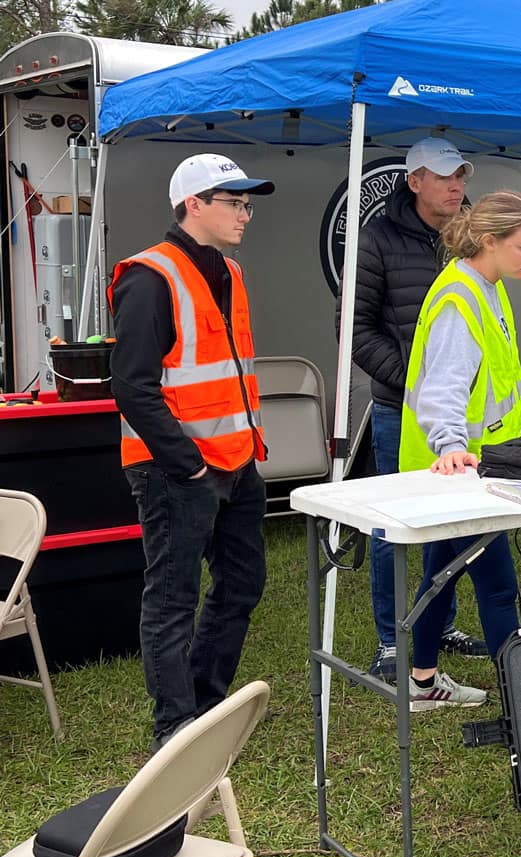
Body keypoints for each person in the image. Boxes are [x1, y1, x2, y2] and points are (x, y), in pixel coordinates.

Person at [109, 153, 275, 751]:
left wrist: (236, 457)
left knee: (243, 583)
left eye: (247, 203)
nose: (245, 215)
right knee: (173, 596)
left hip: (237, 460)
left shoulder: (230, 273)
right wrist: (188, 465)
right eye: (234, 203)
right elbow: (131, 384)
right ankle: (174, 729)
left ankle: (205, 703)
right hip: (176, 469)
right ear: (193, 204)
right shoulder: (149, 276)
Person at [340, 137, 488, 686]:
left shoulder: (471, 238)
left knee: (453, 523)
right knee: (394, 525)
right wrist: (421, 383)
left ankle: (438, 625)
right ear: (414, 181)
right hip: (398, 410)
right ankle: (389, 638)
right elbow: (354, 333)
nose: (457, 186)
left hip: (463, 417)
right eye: (445, 176)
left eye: (462, 176)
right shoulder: (376, 239)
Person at [398, 191, 521, 709]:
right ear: (490, 242)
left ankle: (421, 681)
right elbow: (443, 388)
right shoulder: (462, 299)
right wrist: (452, 447)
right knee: (497, 585)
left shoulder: (486, 284)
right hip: (461, 470)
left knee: (443, 572)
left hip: (481, 466)